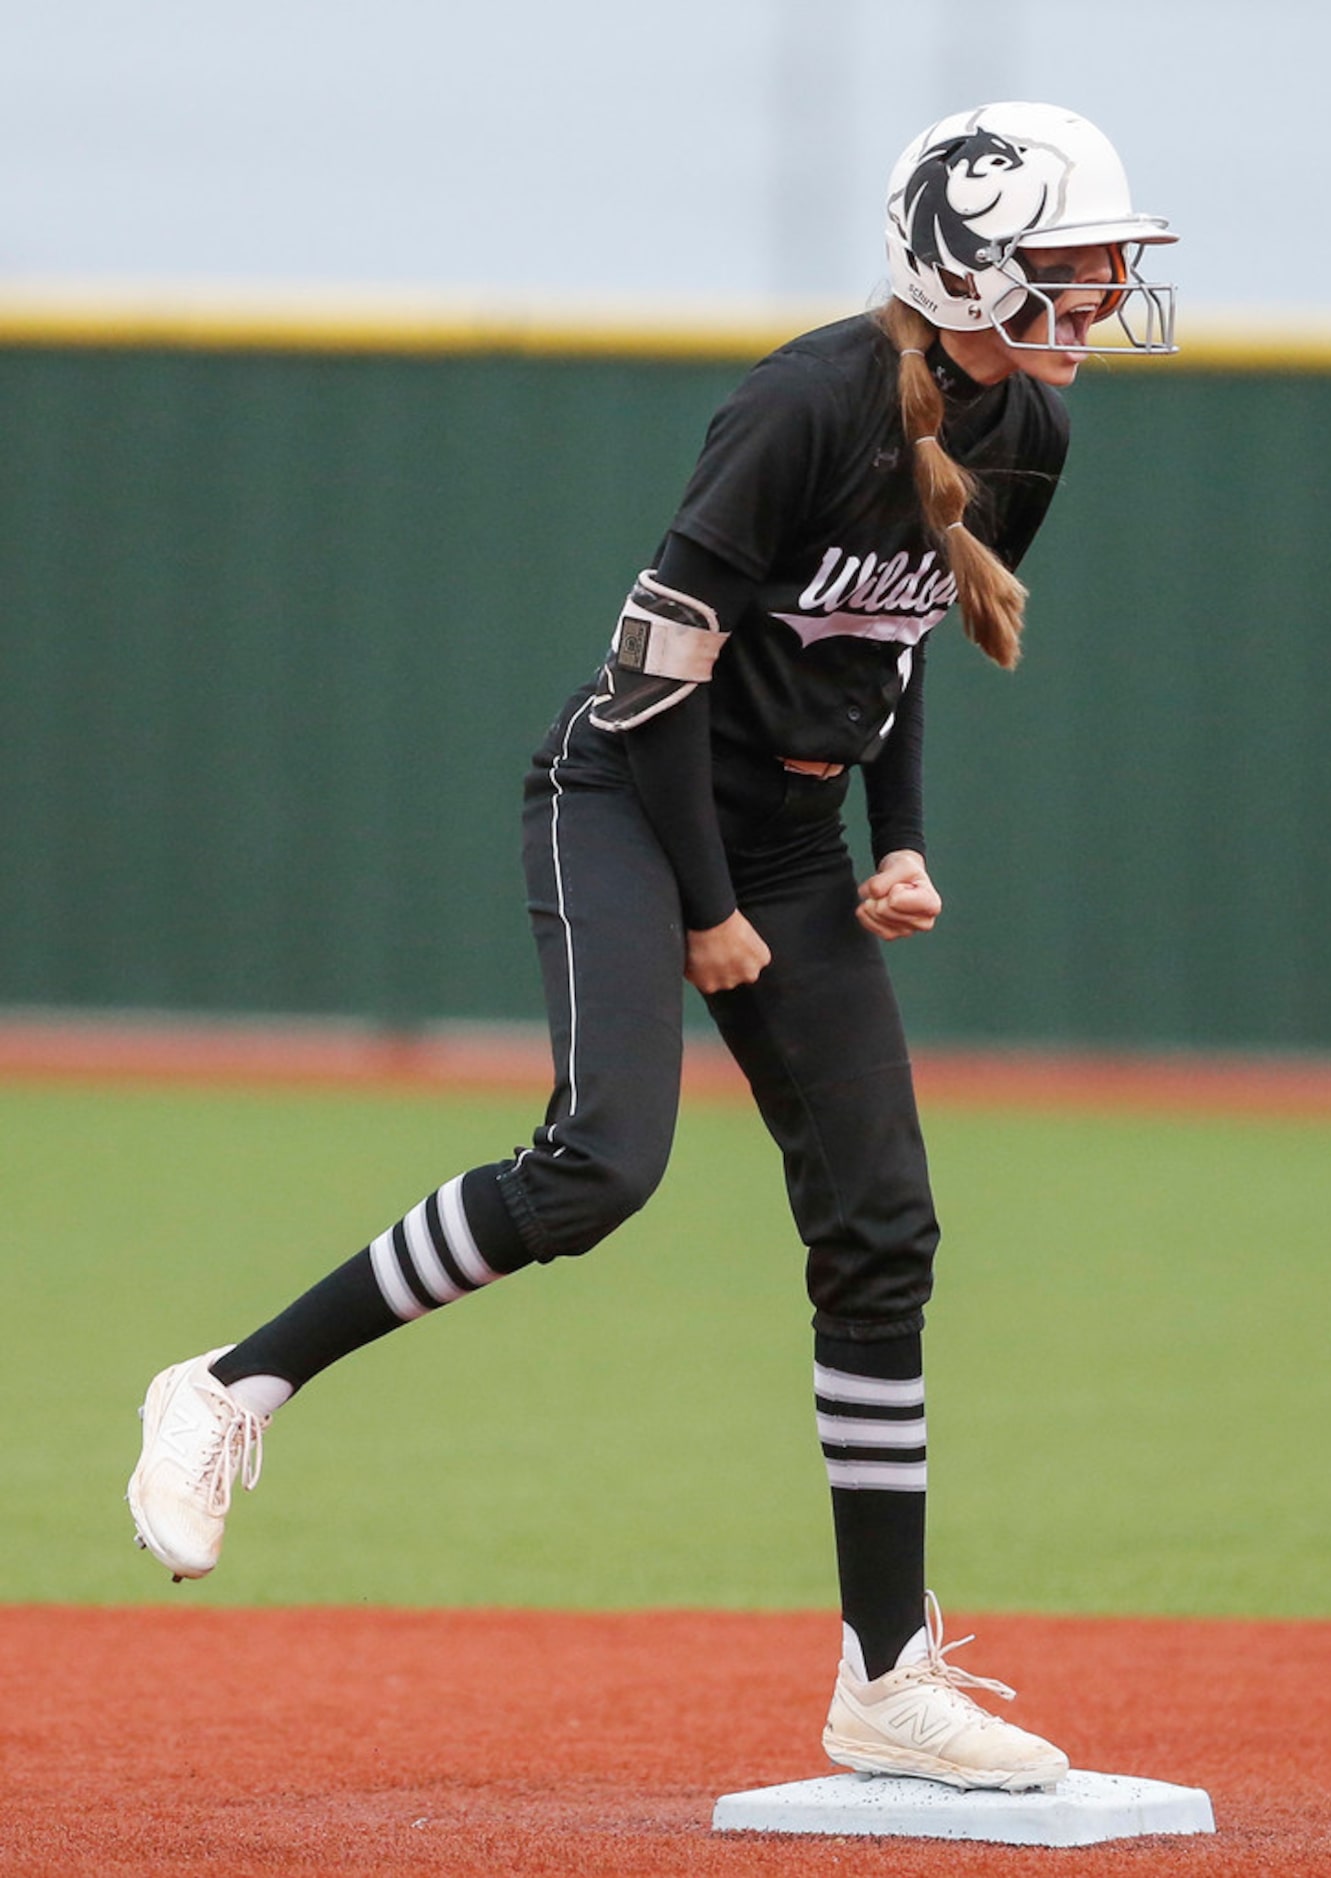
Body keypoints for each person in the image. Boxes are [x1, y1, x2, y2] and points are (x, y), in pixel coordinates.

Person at [127, 101, 1177, 1793]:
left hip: (777, 830)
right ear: (962, 258)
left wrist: (892, 840)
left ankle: (886, 1674)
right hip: (629, 790)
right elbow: (659, 670)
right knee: (600, 1166)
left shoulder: (1029, 434)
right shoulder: (803, 398)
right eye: (1067, 260)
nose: (1099, 290)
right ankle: (232, 1385)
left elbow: (891, 646)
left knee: (883, 1226)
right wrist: (706, 909)